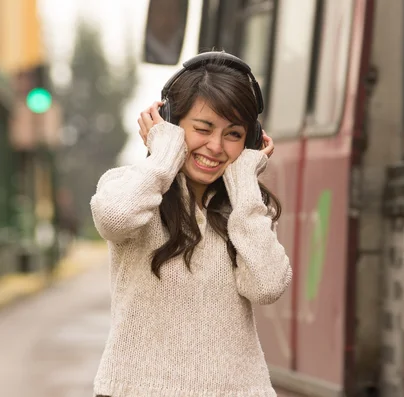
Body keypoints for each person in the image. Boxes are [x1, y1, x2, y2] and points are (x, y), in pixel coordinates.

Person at [90, 51, 292, 397]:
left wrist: (244, 182)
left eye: (233, 134)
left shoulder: (247, 210)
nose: (215, 146)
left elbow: (267, 286)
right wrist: (164, 156)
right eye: (202, 128)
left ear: (251, 141)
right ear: (170, 123)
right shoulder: (130, 187)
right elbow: (113, 218)